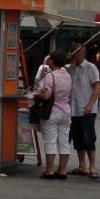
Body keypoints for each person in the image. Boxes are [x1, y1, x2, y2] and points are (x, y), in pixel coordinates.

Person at [35, 48, 73, 179]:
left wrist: (38, 94)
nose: (48, 61)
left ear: (53, 61)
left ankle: (49, 170)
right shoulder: (68, 76)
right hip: (66, 112)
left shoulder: (50, 76)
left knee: (50, 141)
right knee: (64, 141)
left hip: (52, 112)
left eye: (50, 59)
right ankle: (62, 170)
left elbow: (46, 96)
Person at [67, 40, 100, 179]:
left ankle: (93, 167)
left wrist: (90, 104)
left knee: (88, 137)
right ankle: (82, 166)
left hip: (87, 109)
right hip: (73, 108)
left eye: (76, 51)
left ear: (83, 52)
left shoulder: (91, 67)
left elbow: (97, 87)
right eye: (72, 51)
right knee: (77, 137)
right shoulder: (70, 68)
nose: (73, 54)